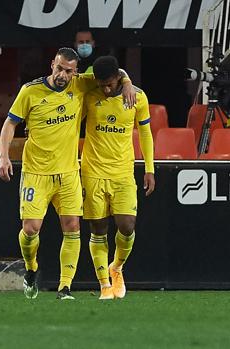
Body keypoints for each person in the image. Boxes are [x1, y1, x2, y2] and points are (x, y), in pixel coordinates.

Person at [0, 48, 135, 300]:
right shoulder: (30, 91)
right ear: (52, 64)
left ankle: (64, 288)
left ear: (76, 72)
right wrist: (4, 156)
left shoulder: (81, 85)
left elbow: (112, 71)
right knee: (30, 230)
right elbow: (10, 123)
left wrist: (126, 83)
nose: (63, 74)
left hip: (69, 172)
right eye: (59, 68)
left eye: (69, 71)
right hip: (36, 173)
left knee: (72, 227)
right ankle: (31, 268)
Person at [81, 56, 155, 300]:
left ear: (117, 78)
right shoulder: (90, 93)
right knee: (98, 228)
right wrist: (124, 77)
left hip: (123, 171)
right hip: (93, 171)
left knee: (127, 225)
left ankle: (117, 268)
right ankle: (104, 285)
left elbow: (145, 132)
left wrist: (149, 168)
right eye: (102, 84)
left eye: (110, 83)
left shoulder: (136, 96)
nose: (105, 88)